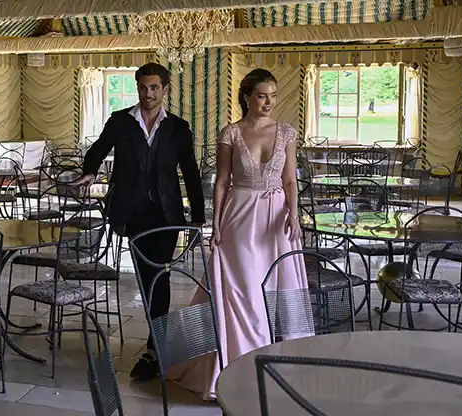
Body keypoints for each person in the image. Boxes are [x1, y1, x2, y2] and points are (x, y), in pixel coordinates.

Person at [166, 68, 310, 400]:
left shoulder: (286, 132)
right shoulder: (231, 132)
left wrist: (294, 213)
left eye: (273, 95)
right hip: (240, 217)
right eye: (262, 95)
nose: (269, 102)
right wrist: (215, 224)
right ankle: (243, 367)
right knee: (243, 291)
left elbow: (290, 180)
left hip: (276, 219)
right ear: (247, 96)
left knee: (282, 288)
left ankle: (284, 365)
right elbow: (221, 181)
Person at [77, 62, 205, 381]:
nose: (148, 94)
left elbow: (190, 174)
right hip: (132, 214)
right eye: (143, 88)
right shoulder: (121, 121)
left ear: (165, 89)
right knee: (147, 276)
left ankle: (154, 347)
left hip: (167, 215)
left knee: (157, 277)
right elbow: (97, 150)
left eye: (154, 88)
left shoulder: (178, 128)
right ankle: (157, 343)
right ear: (138, 88)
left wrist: (198, 220)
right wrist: (90, 170)